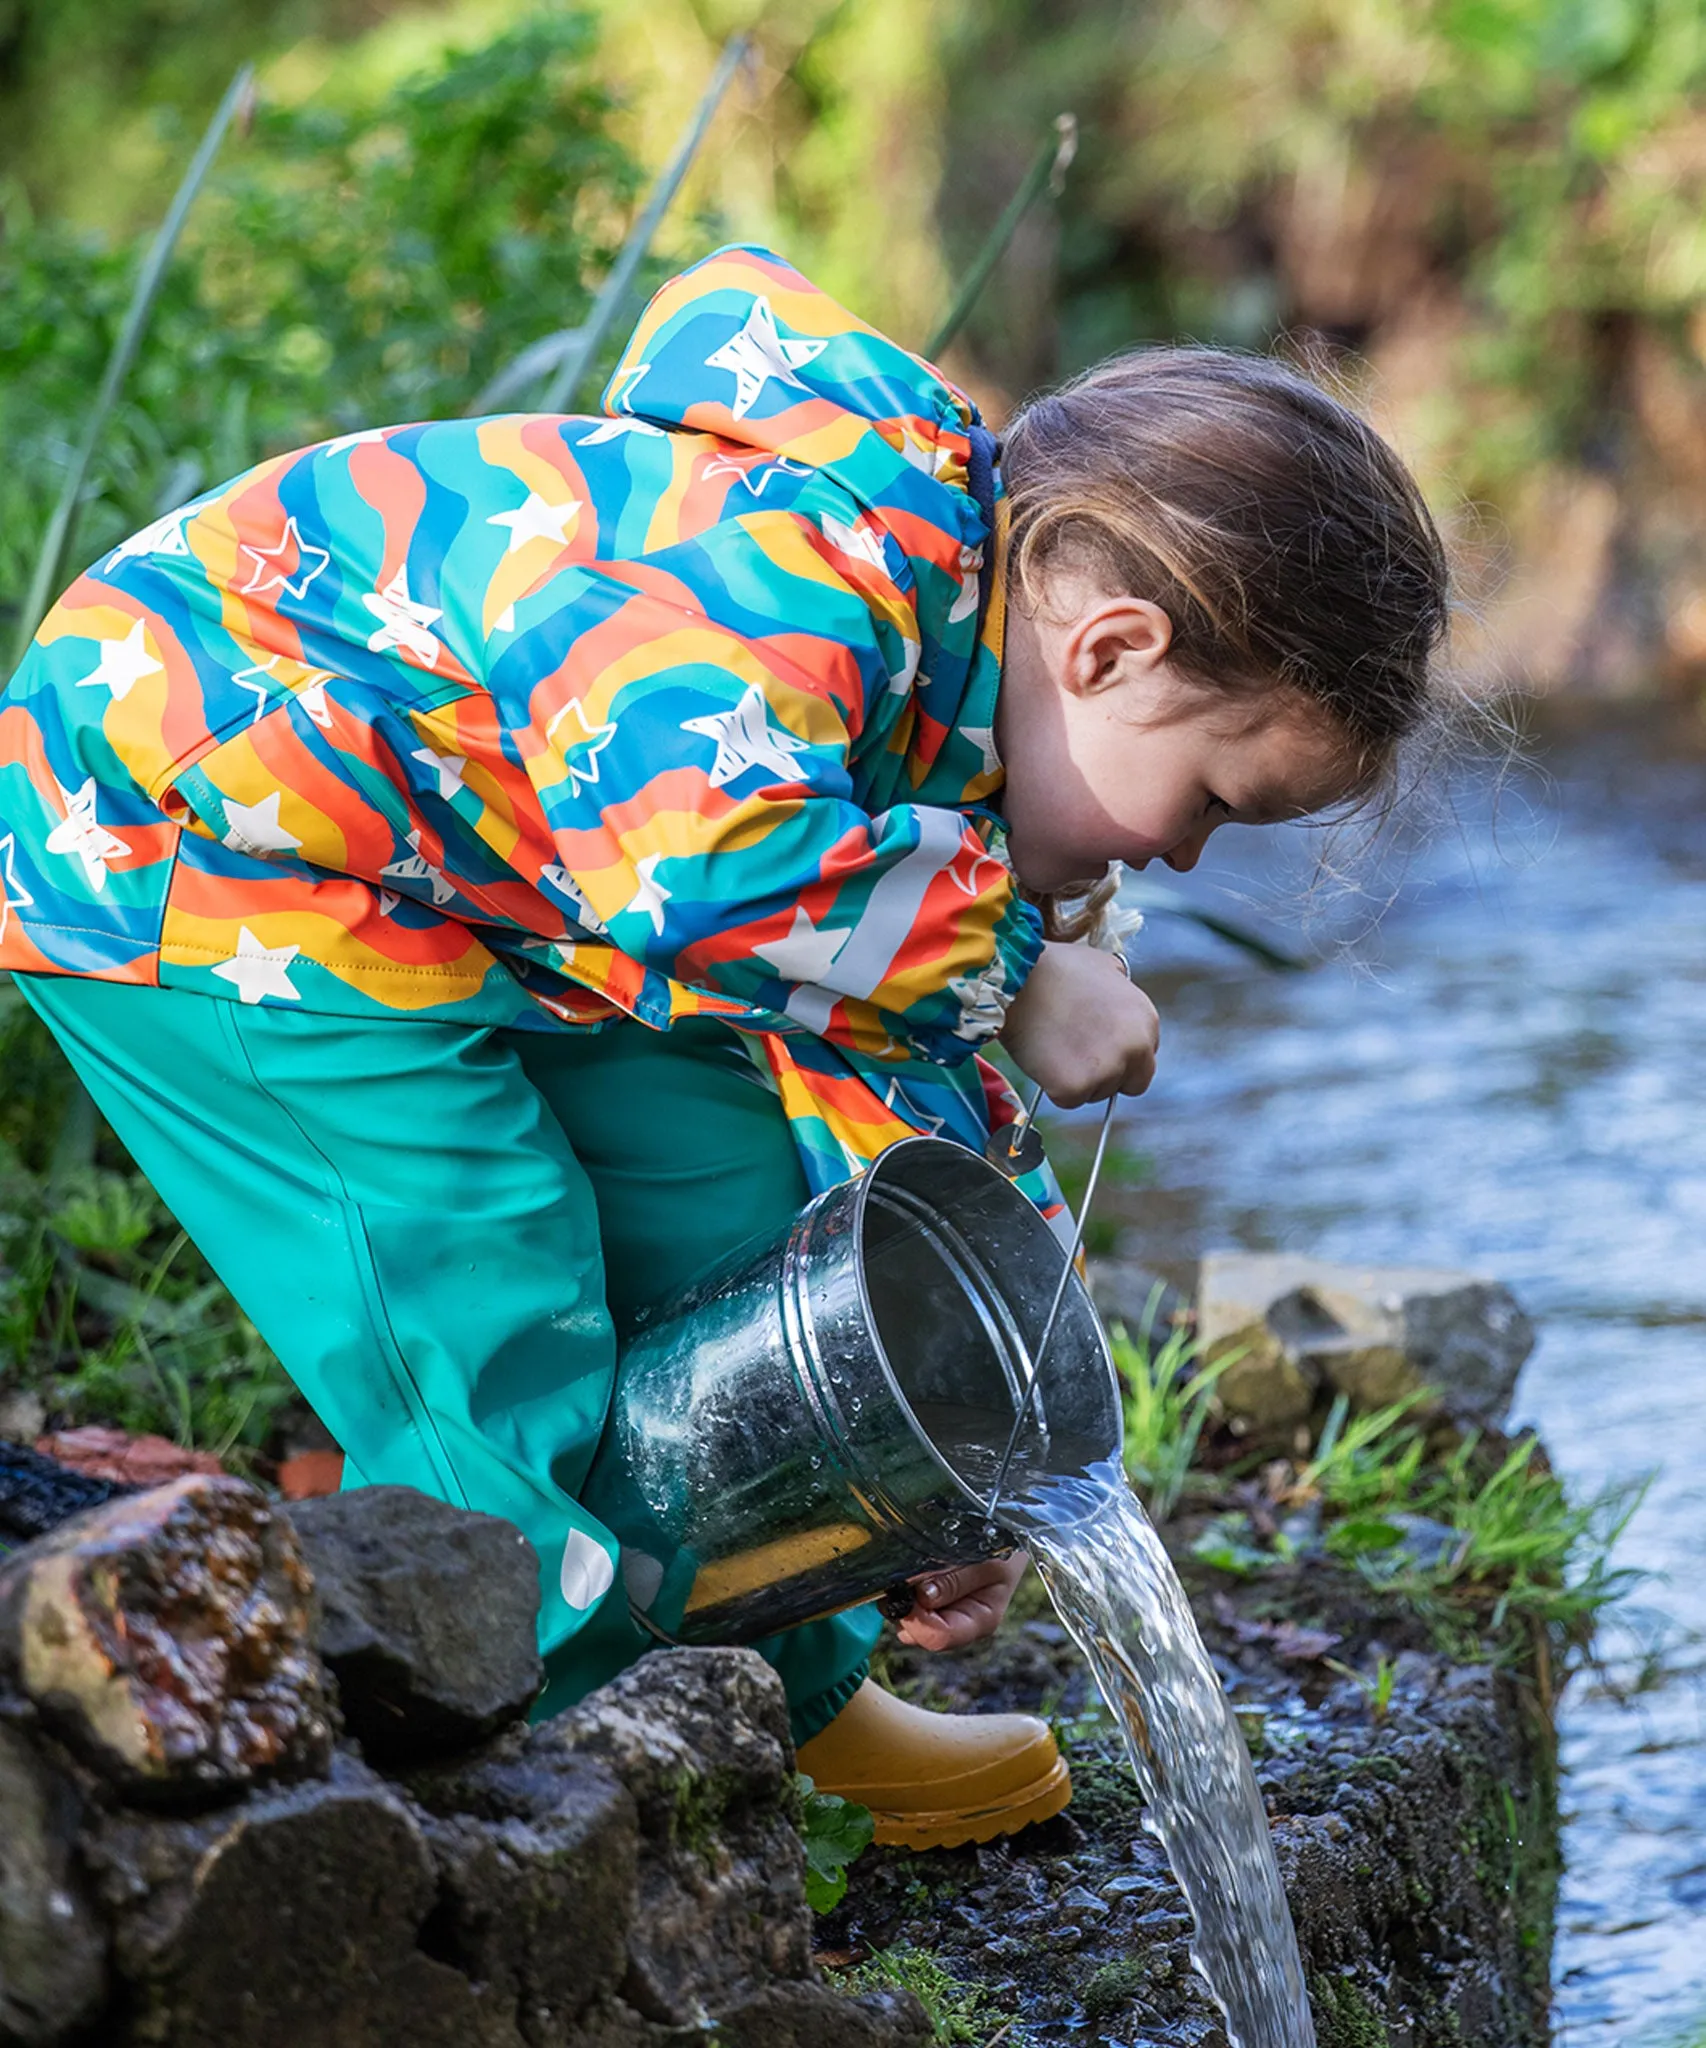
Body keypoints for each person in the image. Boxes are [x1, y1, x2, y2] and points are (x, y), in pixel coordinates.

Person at [0, 244, 1448, 1848]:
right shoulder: (803, 569)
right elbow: (699, 866)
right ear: (1106, 650)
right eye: (1210, 806)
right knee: (478, 1280)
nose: (1175, 865)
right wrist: (1019, 965)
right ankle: (528, 1751)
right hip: (194, 848)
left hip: (473, 895)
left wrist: (962, 1438)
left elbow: (900, 1096)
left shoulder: (956, 718)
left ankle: (791, 1697)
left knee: (744, 1207)